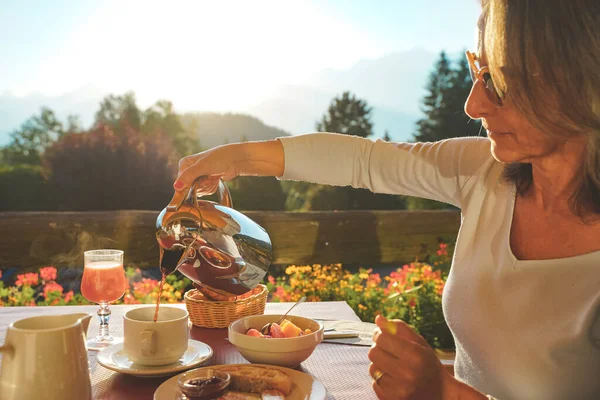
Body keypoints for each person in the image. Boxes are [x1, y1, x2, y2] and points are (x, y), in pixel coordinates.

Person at [172, 0, 600, 398]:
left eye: (501, 82)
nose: (473, 104)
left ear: (578, 80)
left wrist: (443, 390)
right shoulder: (482, 171)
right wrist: (238, 156)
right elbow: (364, 160)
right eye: (478, 71)